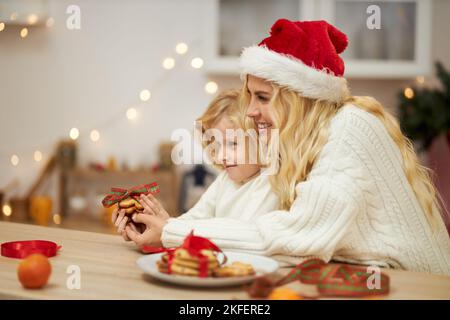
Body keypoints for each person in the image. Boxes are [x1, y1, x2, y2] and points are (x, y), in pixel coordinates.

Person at [122, 19, 450, 275]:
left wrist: (171, 231)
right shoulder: (299, 144)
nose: (250, 111)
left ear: (300, 100)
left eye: (262, 97)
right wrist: (165, 228)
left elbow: (295, 241)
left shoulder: (349, 129)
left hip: (415, 286)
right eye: (250, 96)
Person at [112, 89, 278, 249]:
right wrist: (157, 224)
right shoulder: (225, 180)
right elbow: (195, 219)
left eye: (233, 143)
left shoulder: (270, 182)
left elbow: (239, 234)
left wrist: (169, 231)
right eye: (217, 145)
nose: (220, 156)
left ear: (262, 140)